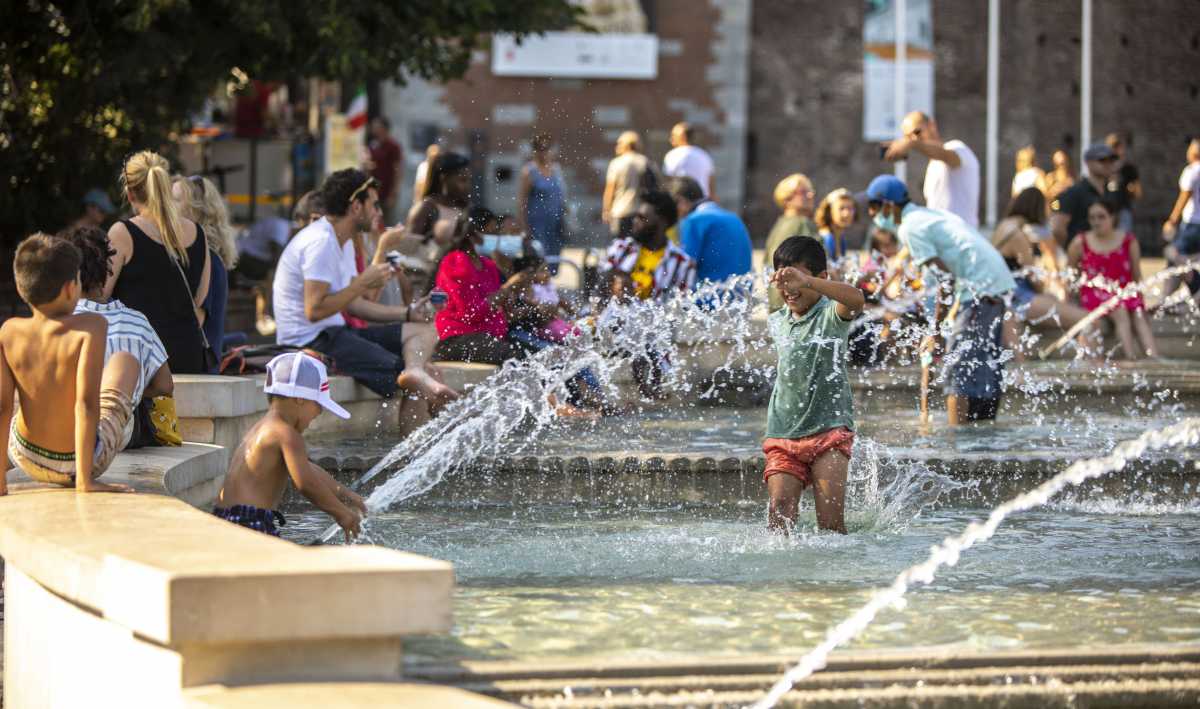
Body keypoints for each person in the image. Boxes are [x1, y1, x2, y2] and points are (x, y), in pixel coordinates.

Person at [272, 168, 456, 436]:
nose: (377, 212)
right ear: (356, 206)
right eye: (373, 204)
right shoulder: (320, 242)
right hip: (311, 341)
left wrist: (408, 313)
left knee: (423, 330)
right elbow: (315, 310)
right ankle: (413, 449)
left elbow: (355, 305)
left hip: (336, 332)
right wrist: (361, 282)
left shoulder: (343, 241)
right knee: (419, 379)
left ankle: (415, 374)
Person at [866, 174, 1016, 425]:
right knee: (987, 370)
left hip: (979, 287)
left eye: (873, 207)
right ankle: (985, 437)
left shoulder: (909, 227)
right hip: (994, 282)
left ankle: (955, 442)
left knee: (957, 373)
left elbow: (945, 279)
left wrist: (935, 331)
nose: (871, 214)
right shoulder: (929, 215)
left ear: (888, 206)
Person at [1, 234, 135, 493]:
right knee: (124, 361)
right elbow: (85, 404)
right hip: (77, 464)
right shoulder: (91, 327)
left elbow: (2, 407)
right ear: (70, 288)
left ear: (20, 286)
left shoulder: (9, 331)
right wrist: (85, 481)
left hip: (25, 456)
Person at [763, 235, 865, 534]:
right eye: (783, 281)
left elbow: (856, 299)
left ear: (820, 278)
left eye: (796, 280)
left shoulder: (831, 314)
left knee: (830, 525)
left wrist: (808, 282)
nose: (789, 289)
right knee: (779, 516)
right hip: (784, 432)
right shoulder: (778, 320)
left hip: (829, 431)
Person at [215, 352, 366, 540]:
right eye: (318, 404)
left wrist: (346, 495)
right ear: (300, 398)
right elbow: (306, 483)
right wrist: (342, 514)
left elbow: (308, 469)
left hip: (227, 518)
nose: (319, 412)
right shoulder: (287, 434)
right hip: (250, 523)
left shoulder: (264, 428)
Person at [104, 150, 212, 374]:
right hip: (188, 354)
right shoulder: (197, 232)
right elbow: (200, 298)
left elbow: (100, 295)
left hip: (139, 358)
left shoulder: (122, 233)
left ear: (130, 193)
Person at [60, 224, 174, 433]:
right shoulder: (137, 321)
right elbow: (164, 386)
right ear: (108, 268)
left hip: (64, 427)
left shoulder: (58, 323)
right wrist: (130, 394)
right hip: (120, 432)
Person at [991, 189, 1092, 356]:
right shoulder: (1017, 235)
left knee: (1056, 303)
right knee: (1088, 319)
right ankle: (1091, 363)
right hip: (1019, 298)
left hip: (1006, 295)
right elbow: (1034, 278)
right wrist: (1048, 290)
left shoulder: (1003, 226)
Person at [1068, 197, 1158, 360]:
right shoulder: (1080, 242)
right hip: (1094, 293)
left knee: (1138, 314)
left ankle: (1154, 358)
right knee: (1121, 311)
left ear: (1112, 217)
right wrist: (1071, 301)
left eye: (1101, 217)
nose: (1096, 222)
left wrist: (1141, 300)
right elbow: (1070, 275)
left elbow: (1136, 275)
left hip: (1124, 291)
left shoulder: (1128, 241)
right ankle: (1130, 357)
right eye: (1092, 218)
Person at [433, 212, 529, 364]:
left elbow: (498, 308)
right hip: (457, 338)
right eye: (491, 233)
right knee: (515, 357)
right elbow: (471, 313)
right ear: (473, 236)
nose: (497, 238)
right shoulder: (455, 263)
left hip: (487, 335)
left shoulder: (488, 265)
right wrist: (508, 288)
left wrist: (521, 309)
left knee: (536, 352)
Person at [174, 175, 237, 370]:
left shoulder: (206, 258)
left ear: (197, 210)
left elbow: (195, 322)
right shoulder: (204, 255)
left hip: (198, 374)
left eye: (175, 200)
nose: (166, 206)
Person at [884, 111, 981, 227]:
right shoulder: (932, 166)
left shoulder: (957, 147)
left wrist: (911, 143)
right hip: (941, 234)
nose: (914, 139)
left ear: (932, 125)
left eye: (917, 132)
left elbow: (945, 155)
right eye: (908, 137)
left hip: (962, 235)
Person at [605, 190, 696, 302]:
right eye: (635, 216)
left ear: (663, 223)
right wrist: (614, 282)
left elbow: (682, 307)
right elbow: (599, 289)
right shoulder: (621, 248)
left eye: (642, 218)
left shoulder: (682, 264)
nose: (635, 221)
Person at [667, 176, 751, 289]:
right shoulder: (734, 218)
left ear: (681, 202)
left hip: (711, 296)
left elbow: (684, 268)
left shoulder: (693, 221)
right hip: (742, 293)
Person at [405, 151, 472, 283]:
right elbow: (408, 252)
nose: (467, 186)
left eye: (469, 180)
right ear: (444, 178)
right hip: (428, 282)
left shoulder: (465, 209)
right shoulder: (425, 209)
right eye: (462, 180)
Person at [1050, 143, 1119, 248]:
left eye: (1111, 160)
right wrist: (1070, 251)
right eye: (1102, 160)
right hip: (1081, 253)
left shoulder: (1111, 192)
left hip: (1105, 252)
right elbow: (1057, 228)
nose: (1108, 164)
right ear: (1088, 163)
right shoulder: (1074, 192)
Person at [766, 174, 818, 310]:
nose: (811, 195)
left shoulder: (783, 222)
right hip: (793, 301)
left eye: (810, 191)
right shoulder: (798, 223)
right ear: (787, 199)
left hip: (783, 300)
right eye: (804, 192)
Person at [517, 133, 568, 263]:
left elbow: (561, 196)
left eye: (547, 148)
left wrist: (566, 216)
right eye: (540, 148)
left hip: (556, 224)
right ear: (535, 151)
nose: (544, 152)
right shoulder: (529, 171)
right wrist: (524, 227)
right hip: (536, 224)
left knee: (554, 259)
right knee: (539, 259)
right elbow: (522, 201)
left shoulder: (556, 169)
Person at [1161, 138, 1200, 298]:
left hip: (1193, 223)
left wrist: (1172, 220)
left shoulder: (1192, 171)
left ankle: (1194, 287)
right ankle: (1168, 297)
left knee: (1175, 255)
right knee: (1181, 261)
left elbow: (1184, 196)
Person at [602, 131, 655, 239]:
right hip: (640, 212)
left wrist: (606, 210)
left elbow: (610, 189)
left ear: (627, 145)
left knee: (620, 245)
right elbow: (654, 187)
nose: (617, 146)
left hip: (620, 211)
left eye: (619, 143)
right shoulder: (645, 162)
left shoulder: (616, 163)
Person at [662, 122, 715, 199]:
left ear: (682, 136)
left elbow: (668, 182)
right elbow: (711, 184)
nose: (671, 139)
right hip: (702, 201)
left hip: (681, 202)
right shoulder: (704, 155)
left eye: (673, 135)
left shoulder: (672, 155)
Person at [366, 116, 403, 224]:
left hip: (387, 191)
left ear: (383, 128)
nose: (373, 128)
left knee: (386, 221)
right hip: (374, 191)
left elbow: (398, 170)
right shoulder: (373, 144)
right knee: (373, 220)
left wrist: (394, 193)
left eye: (376, 126)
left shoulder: (393, 146)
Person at [1105, 131, 1141, 234]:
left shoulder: (1128, 168)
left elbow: (1138, 192)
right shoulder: (1103, 168)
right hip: (1106, 210)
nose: (1115, 151)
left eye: (1117, 147)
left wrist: (1132, 190)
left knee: (1123, 238)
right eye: (1113, 147)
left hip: (1123, 210)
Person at [814, 187, 857, 265]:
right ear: (829, 211)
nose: (846, 214)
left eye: (850, 208)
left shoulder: (841, 238)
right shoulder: (824, 239)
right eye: (841, 208)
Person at [412, 143, 441, 211]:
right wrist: (416, 200)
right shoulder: (423, 167)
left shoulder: (440, 169)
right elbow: (419, 184)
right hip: (424, 198)